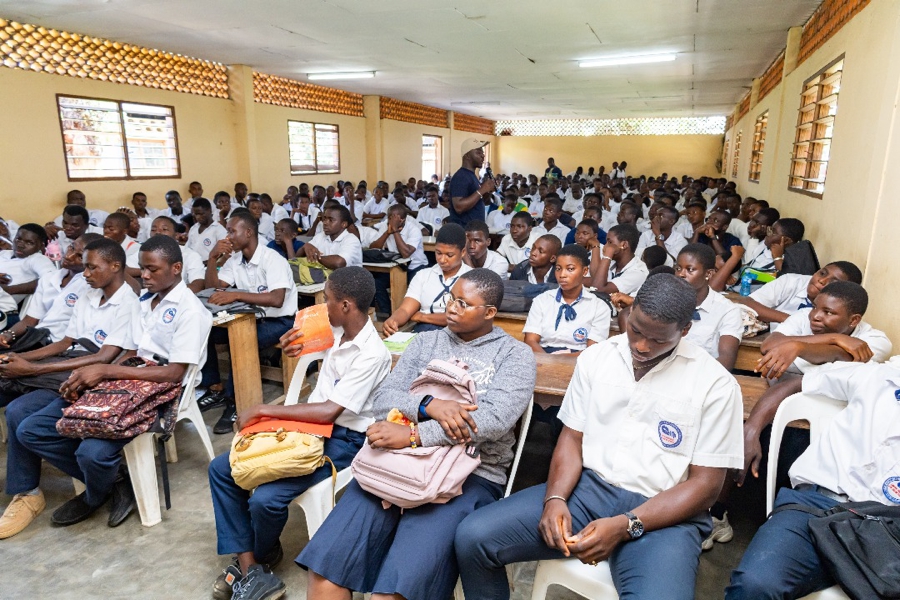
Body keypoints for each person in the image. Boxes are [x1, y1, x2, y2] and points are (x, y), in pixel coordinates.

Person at [454, 274, 744, 600]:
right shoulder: (598, 358)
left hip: (667, 515)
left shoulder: (715, 385)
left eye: (659, 340)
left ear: (685, 331)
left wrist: (625, 524)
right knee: (473, 537)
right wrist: (555, 498)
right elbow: (572, 438)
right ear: (629, 312)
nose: (641, 346)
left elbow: (706, 486)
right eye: (635, 330)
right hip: (588, 493)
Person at [298, 269, 536, 600]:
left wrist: (414, 436)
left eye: (464, 303)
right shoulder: (425, 342)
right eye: (451, 298)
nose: (452, 307)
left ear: (490, 313)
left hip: (471, 474)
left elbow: (493, 420)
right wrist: (428, 405)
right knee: (326, 572)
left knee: (394, 592)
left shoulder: (514, 355)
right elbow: (384, 401)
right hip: (396, 463)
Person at [206, 267, 391, 600]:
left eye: (329, 301)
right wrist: (292, 342)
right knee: (221, 468)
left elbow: (328, 411)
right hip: (309, 428)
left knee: (265, 499)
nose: (325, 306)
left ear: (346, 305)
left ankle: (256, 559)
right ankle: (251, 568)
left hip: (344, 439)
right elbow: (297, 340)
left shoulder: (372, 354)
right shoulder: (336, 331)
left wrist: (263, 409)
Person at [0, 237, 155, 535]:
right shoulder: (87, 294)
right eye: (84, 267)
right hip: (68, 367)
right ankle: (29, 493)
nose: (85, 274)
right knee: (17, 411)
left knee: (26, 420)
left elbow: (103, 356)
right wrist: (18, 356)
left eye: (91, 267)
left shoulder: (128, 303)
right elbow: (64, 343)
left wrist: (32, 368)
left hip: (94, 376)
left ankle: (105, 480)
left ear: (115, 266)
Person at [725, 359, 900, 599]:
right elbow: (796, 383)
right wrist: (751, 430)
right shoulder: (876, 376)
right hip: (818, 505)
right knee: (756, 584)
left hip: (890, 527)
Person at [201, 212, 298, 433]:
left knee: (242, 340)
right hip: (249, 319)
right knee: (205, 331)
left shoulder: (272, 259)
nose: (228, 236)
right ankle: (215, 387)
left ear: (248, 232)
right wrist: (213, 259)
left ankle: (236, 403)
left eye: (232, 231)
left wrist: (236, 295)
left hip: (281, 321)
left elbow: (276, 299)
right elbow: (212, 289)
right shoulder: (235, 260)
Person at [0, 234, 98, 349]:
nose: (69, 256)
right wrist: (7, 334)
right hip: (37, 338)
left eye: (80, 256)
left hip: (62, 346)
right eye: (71, 247)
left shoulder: (91, 286)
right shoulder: (49, 279)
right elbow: (30, 320)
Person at [383, 224, 471, 336]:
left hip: (458, 335)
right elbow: (405, 310)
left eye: (449, 255)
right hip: (424, 331)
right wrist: (394, 320)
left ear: (463, 252)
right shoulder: (423, 276)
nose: (442, 260)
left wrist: (422, 316)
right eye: (438, 253)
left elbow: (461, 319)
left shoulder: (471, 279)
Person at [523, 244, 610, 354]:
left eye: (570, 269)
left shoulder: (598, 307)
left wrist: (560, 362)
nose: (562, 275)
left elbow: (592, 351)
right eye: (558, 269)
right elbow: (530, 341)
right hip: (543, 356)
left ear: (584, 271)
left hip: (579, 360)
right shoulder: (542, 300)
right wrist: (549, 361)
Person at [674, 244, 743, 371]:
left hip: (702, 376)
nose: (681, 274)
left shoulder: (727, 311)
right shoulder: (668, 301)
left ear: (708, 274)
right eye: (678, 268)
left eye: (690, 270)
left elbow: (726, 360)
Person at [733, 261, 861, 324]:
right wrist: (792, 321)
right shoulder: (791, 281)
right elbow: (747, 302)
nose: (821, 280)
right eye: (822, 273)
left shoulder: (841, 309)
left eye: (833, 282)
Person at [370, 204, 428, 315]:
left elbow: (406, 253)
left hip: (415, 266)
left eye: (394, 219)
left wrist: (395, 231)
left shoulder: (414, 230)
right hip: (395, 266)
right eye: (389, 218)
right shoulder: (386, 226)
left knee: (414, 287)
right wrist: (387, 233)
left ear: (402, 220)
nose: (391, 222)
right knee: (377, 283)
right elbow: (373, 247)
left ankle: (412, 314)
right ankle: (387, 313)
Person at [126, 216, 205, 292]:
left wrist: (166, 295)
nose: (157, 232)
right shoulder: (145, 253)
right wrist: (149, 271)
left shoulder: (190, 255)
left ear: (176, 235)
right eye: (153, 230)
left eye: (164, 229)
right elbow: (124, 269)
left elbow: (198, 284)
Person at [0, 224, 56, 305]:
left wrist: (9, 290)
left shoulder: (37, 259)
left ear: (41, 245)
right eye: (18, 239)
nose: (20, 245)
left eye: (29, 243)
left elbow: (52, 280)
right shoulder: (4, 253)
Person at [448, 138, 496, 227]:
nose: (483, 156)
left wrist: (487, 191)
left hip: (473, 230)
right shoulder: (461, 176)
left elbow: (477, 202)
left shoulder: (472, 175)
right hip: (464, 231)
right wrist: (482, 190)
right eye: (478, 152)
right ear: (467, 156)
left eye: (482, 152)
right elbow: (459, 207)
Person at [296, 205, 362, 269]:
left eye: (331, 220)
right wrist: (305, 247)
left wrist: (315, 257)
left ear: (343, 224)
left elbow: (339, 263)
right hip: (326, 278)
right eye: (324, 218)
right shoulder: (321, 236)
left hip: (349, 279)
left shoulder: (352, 240)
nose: (325, 223)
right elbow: (296, 257)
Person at [590, 224, 649, 297]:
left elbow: (597, 289)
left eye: (610, 242)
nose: (605, 246)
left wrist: (608, 255)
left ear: (624, 245)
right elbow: (595, 278)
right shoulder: (614, 262)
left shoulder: (638, 272)